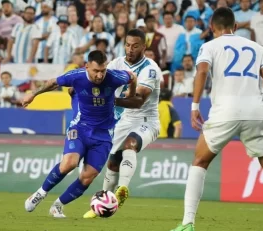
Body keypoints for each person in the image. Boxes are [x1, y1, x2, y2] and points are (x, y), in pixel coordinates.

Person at [171, 7, 263, 231]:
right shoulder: (257, 47)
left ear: (212, 28)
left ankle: (187, 223)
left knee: (199, 162)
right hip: (255, 112)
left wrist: (195, 106)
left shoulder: (209, 46)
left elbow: (202, 72)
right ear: (235, 27)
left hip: (225, 111)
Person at [22, 50, 138, 218]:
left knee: (87, 177)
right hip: (80, 128)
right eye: (96, 71)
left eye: (102, 71)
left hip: (104, 135)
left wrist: (131, 94)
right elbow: (53, 83)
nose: (99, 75)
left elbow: (132, 76)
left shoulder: (114, 77)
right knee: (69, 163)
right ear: (87, 67)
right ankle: (40, 193)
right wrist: (33, 94)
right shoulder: (76, 76)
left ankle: (58, 206)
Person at [83, 29, 162, 218]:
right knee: (112, 162)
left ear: (144, 46)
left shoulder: (150, 69)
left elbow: (138, 101)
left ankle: (122, 188)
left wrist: (109, 101)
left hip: (147, 120)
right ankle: (101, 204)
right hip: (125, 120)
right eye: (127, 44)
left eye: (135, 46)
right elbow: (99, 80)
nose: (130, 49)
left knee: (130, 145)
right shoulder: (117, 63)